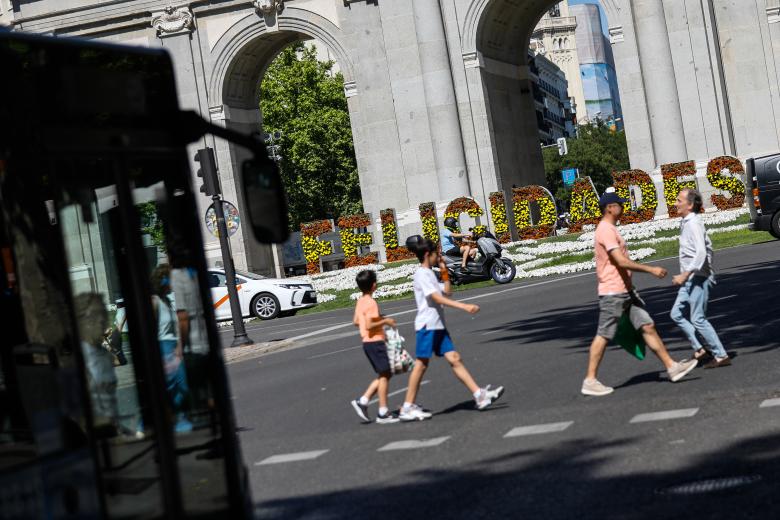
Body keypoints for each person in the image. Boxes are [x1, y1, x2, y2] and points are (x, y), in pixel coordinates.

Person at [582, 192, 698, 397]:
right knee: (604, 334)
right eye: (620, 204)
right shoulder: (605, 230)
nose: (623, 207)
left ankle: (672, 367)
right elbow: (620, 261)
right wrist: (650, 269)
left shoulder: (610, 229)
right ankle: (590, 380)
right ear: (610, 207)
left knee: (647, 326)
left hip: (626, 291)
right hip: (613, 292)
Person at [400, 238, 504, 421]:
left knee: (454, 358)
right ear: (427, 255)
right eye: (436, 254)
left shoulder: (430, 274)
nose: (439, 256)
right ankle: (407, 407)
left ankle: (479, 395)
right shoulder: (421, 274)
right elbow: (437, 299)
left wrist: (444, 270)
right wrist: (464, 307)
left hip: (437, 326)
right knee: (421, 365)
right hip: (427, 326)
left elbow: (447, 292)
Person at [670, 188, 731, 368]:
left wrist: (685, 274)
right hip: (691, 278)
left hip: (699, 277)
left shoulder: (694, 223)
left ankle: (721, 355)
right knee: (676, 314)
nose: (675, 203)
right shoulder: (687, 222)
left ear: (689, 205)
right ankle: (700, 349)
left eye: (679, 200)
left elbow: (701, 253)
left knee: (698, 319)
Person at [350, 270, 401, 424]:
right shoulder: (371, 303)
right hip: (375, 341)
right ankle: (382, 412)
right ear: (374, 285)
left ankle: (364, 401)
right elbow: (370, 324)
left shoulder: (361, 301)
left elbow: (356, 321)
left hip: (367, 342)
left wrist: (376, 319)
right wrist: (385, 321)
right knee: (385, 374)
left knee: (384, 373)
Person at [150, 264, 192, 432]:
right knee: (177, 386)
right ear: (164, 281)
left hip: (173, 349)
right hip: (163, 350)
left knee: (178, 387)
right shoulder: (154, 301)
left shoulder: (166, 300)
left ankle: (177, 420)